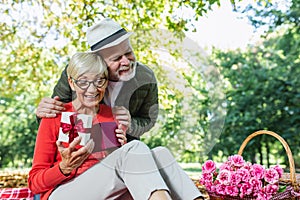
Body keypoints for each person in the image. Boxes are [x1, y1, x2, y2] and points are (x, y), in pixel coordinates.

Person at [28, 52, 204, 200]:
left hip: (106, 192)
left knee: (161, 154)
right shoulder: (55, 115)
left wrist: (119, 148)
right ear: (72, 83)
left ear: (106, 82)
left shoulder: (112, 115)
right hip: (63, 193)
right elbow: (34, 183)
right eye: (83, 81)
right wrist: (63, 168)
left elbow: (117, 170)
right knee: (135, 148)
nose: (92, 89)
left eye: (99, 81)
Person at [36, 18, 158, 141]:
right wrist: (44, 113)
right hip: (81, 143)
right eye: (116, 58)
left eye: (128, 53)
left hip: (124, 145)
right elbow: (54, 116)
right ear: (100, 61)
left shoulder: (146, 77)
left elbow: (149, 120)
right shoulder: (77, 73)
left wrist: (131, 124)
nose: (126, 62)